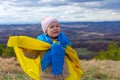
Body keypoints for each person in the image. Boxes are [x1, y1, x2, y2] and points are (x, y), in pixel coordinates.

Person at [7, 16, 83, 80]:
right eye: (52, 27)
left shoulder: (63, 42)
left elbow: (71, 54)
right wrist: (24, 48)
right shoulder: (41, 44)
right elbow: (33, 54)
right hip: (47, 75)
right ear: (46, 31)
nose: (55, 28)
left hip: (62, 73)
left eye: (57, 26)